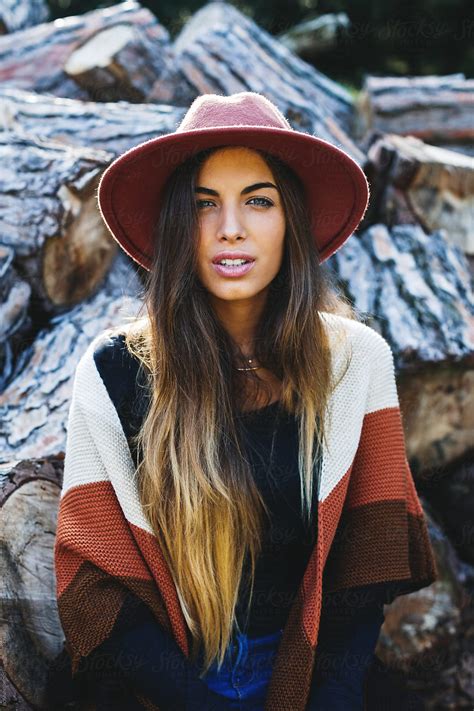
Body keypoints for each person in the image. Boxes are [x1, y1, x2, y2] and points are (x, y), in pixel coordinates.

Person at [52, 91, 438, 711]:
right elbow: (98, 587)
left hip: (311, 664)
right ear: (178, 225)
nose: (231, 227)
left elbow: (367, 565)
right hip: (164, 681)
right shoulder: (115, 369)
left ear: (293, 220)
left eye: (259, 200)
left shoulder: (355, 362)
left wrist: (328, 698)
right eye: (205, 205)